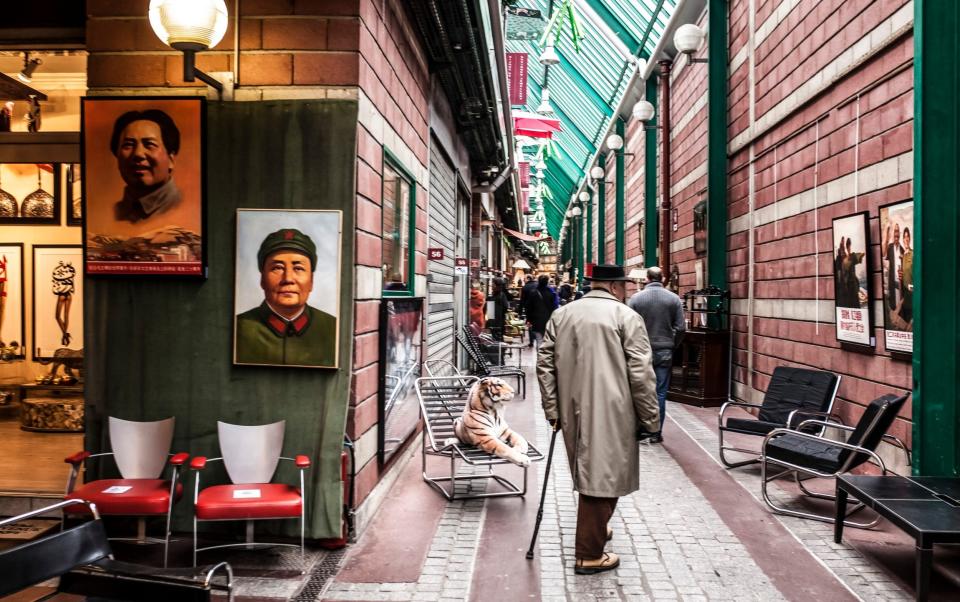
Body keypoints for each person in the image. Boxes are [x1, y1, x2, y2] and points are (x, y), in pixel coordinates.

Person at [538, 263, 659, 575]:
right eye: (628, 286)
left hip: (571, 409)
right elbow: (641, 374)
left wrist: (553, 410)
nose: (629, 291)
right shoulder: (626, 317)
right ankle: (589, 554)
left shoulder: (562, 315)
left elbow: (545, 365)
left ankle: (598, 529)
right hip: (615, 410)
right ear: (616, 287)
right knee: (603, 477)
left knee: (591, 468)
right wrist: (651, 418)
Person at [235, 228, 336, 367]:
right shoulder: (238, 328)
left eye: (298, 268)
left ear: (311, 281)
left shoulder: (332, 329)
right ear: (262, 279)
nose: (288, 279)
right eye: (277, 268)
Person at [627, 266, 685, 441]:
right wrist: (672, 344)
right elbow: (681, 327)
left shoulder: (636, 299)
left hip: (639, 351)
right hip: (664, 351)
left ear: (647, 278)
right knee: (660, 392)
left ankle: (639, 429)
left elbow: (628, 326)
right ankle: (655, 432)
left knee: (639, 390)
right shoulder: (674, 299)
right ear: (663, 278)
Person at [110, 109, 182, 224]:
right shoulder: (113, 213)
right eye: (128, 145)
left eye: (149, 144)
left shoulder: (184, 207)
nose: (138, 154)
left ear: (171, 159)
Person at [524, 275, 556, 349]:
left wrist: (528, 319)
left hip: (536, 320)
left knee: (539, 340)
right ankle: (544, 356)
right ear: (547, 282)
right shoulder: (551, 293)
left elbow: (529, 307)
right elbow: (553, 307)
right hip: (548, 319)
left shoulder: (533, 293)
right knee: (547, 339)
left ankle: (539, 357)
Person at [898, 227, 913, 324]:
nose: (906, 239)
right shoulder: (903, 256)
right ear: (902, 239)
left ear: (910, 239)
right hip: (905, 297)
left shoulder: (913, 254)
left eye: (908, 237)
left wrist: (913, 287)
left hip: (913, 296)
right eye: (904, 237)